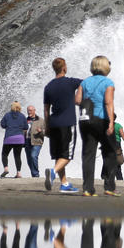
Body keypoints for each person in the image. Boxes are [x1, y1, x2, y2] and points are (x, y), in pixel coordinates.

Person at [75, 56, 119, 196]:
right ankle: (109, 187)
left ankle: (88, 189)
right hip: (102, 120)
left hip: (85, 121)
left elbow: (77, 100)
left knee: (88, 155)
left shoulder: (84, 82)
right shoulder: (108, 82)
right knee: (110, 152)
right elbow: (108, 103)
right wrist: (111, 122)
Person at [43, 58, 82, 192]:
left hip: (53, 124)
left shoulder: (48, 86)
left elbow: (46, 109)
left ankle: (64, 184)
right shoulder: (71, 82)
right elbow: (87, 83)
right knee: (67, 156)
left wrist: (47, 126)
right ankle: (53, 172)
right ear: (64, 68)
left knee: (59, 155)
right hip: (67, 123)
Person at [0, 101, 27, 178]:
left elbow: (2, 125)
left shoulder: (7, 115)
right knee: (17, 156)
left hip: (9, 138)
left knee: (4, 154)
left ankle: (6, 168)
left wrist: (9, 126)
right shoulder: (22, 116)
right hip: (19, 139)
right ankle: (18, 173)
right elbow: (26, 127)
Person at [25, 105, 45, 179]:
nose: (29, 112)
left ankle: (36, 175)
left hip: (37, 142)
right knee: (29, 160)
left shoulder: (41, 120)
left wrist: (41, 131)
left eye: (30, 110)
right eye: (28, 110)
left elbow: (47, 133)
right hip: (27, 142)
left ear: (34, 110)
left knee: (33, 156)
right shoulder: (25, 120)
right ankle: (34, 175)